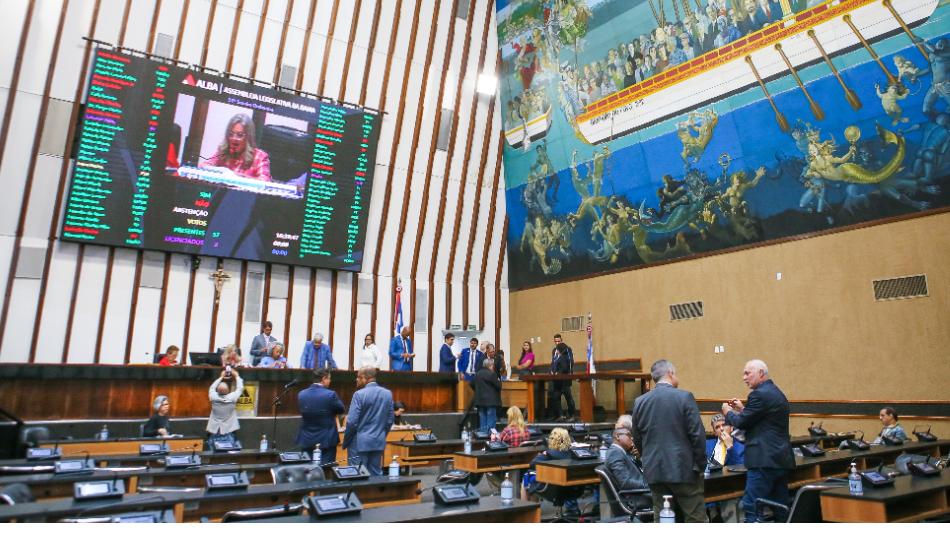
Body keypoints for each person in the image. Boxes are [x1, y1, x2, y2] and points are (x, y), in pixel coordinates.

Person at [632, 359, 707, 523]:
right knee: (695, 519)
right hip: (684, 470)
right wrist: (700, 466)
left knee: (663, 519)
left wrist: (647, 458)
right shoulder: (684, 397)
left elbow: (637, 437)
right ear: (671, 373)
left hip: (655, 471)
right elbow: (697, 435)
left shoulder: (640, 402)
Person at [721, 359, 795, 523]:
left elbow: (741, 423)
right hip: (780, 459)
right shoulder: (775, 392)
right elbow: (763, 420)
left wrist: (728, 412)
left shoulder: (758, 394)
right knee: (780, 506)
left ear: (761, 373)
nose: (744, 377)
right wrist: (743, 409)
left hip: (763, 460)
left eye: (747, 373)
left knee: (751, 505)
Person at [342, 366, 394, 475]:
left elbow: (351, 422)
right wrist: (381, 434)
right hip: (378, 441)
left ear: (365, 378)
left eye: (358, 377)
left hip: (359, 442)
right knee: (375, 476)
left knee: (357, 475)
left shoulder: (359, 395)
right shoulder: (387, 393)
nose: (356, 379)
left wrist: (346, 441)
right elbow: (390, 420)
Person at [201, 113, 272, 181]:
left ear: (248, 137)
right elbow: (203, 166)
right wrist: (220, 171)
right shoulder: (223, 151)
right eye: (231, 134)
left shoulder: (260, 156)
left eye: (240, 135)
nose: (234, 138)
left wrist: (237, 177)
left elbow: (264, 181)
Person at [297, 368, 345, 463]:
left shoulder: (301, 394)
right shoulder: (330, 395)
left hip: (307, 439)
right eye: (329, 378)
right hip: (326, 440)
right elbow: (341, 410)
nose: (330, 381)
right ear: (324, 379)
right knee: (325, 469)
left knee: (307, 468)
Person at [705, 414, 745, 522]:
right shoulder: (707, 445)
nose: (721, 428)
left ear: (731, 428)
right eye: (717, 427)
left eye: (724, 425)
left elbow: (741, 470)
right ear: (714, 432)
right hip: (708, 487)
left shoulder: (741, 446)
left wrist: (730, 447)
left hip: (730, 488)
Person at [605, 427, 651, 511]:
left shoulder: (621, 452)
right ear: (618, 436)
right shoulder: (615, 453)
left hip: (641, 493)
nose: (632, 438)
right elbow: (625, 482)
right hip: (637, 497)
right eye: (629, 435)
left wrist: (638, 458)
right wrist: (649, 484)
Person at [206, 368, 244, 440]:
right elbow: (240, 388)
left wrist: (221, 377)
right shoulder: (232, 397)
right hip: (229, 430)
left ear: (217, 391)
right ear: (228, 390)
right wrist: (237, 376)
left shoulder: (213, 397)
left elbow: (212, 387)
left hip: (214, 430)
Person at [548, 336, 576, 421]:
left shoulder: (567, 349)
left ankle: (572, 415)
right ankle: (561, 415)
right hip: (556, 380)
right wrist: (551, 371)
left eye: (558, 341)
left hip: (565, 378)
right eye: (556, 341)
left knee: (568, 397)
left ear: (561, 340)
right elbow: (553, 362)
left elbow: (570, 362)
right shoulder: (554, 350)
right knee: (556, 397)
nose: (557, 343)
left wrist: (568, 373)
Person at [474, 359, 502, 433]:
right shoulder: (492, 374)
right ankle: (490, 435)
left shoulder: (477, 374)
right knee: (491, 419)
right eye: (493, 365)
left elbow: (471, 384)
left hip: (480, 400)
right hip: (491, 401)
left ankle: (483, 435)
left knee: (482, 418)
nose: (493, 367)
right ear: (490, 365)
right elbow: (499, 386)